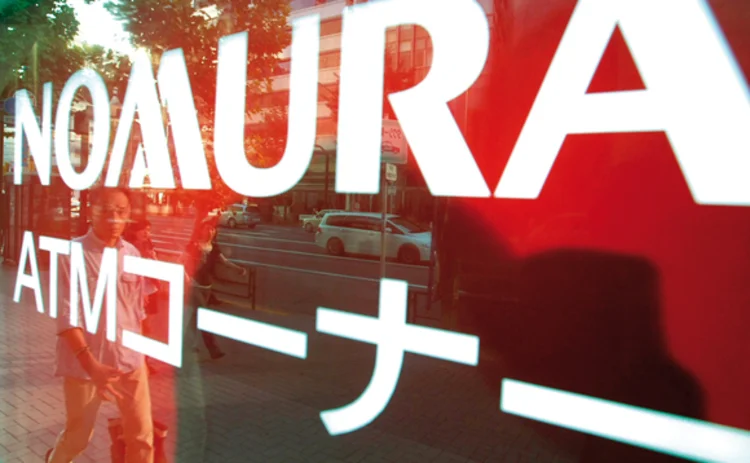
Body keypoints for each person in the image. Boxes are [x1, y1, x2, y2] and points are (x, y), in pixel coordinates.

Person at [46, 187, 154, 463]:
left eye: (121, 211)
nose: (114, 218)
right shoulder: (71, 254)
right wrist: (92, 365)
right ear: (90, 212)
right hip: (86, 366)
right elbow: (67, 316)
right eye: (106, 211)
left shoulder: (132, 254)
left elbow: (137, 311)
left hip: (129, 362)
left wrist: (144, 356)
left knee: (142, 438)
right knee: (78, 437)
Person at [181, 217, 247, 360]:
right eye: (207, 228)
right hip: (194, 285)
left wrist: (239, 269)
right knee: (203, 316)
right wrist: (187, 277)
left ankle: (187, 343)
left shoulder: (214, 247)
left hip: (207, 287)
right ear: (201, 230)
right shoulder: (194, 245)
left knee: (194, 317)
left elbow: (224, 261)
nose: (211, 231)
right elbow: (182, 262)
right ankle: (213, 349)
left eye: (212, 229)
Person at [123, 219, 161, 375]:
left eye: (149, 230)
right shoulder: (128, 249)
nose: (147, 233)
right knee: (139, 327)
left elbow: (156, 267)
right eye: (143, 230)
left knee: (147, 328)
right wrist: (140, 293)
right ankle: (137, 361)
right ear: (135, 231)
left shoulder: (149, 246)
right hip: (137, 294)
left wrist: (153, 258)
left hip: (150, 290)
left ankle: (144, 360)